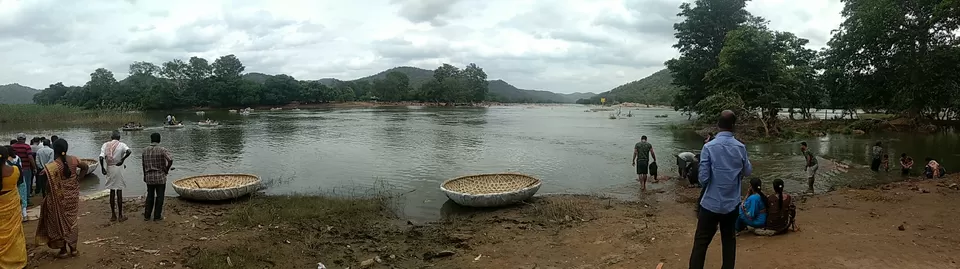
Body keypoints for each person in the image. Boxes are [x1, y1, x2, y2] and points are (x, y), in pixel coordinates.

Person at [689, 110, 752, 269]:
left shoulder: (708, 147)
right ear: (733, 126)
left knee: (701, 242)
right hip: (731, 204)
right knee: (729, 241)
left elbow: (703, 179)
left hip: (710, 203)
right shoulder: (740, 148)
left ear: (718, 125)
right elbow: (747, 172)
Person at [36, 138, 88, 258]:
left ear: (55, 150)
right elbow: (85, 167)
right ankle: (74, 249)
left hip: (59, 199)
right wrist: (78, 180)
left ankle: (63, 250)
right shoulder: (74, 159)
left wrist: (48, 195)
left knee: (58, 222)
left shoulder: (52, 166)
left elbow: (49, 186)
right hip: (73, 197)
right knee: (72, 222)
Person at [0, 146, 27, 268]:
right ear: (7, 157)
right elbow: (20, 183)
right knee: (15, 235)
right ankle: (17, 261)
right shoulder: (15, 170)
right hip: (12, 209)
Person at [99, 131, 131, 222]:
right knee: (119, 190)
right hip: (118, 168)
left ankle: (113, 215)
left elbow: (101, 157)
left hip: (109, 168)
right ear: (119, 137)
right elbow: (129, 151)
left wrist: (102, 168)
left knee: (112, 191)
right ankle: (120, 215)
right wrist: (122, 159)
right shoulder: (122, 145)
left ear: (111, 137)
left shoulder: (105, 145)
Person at [142, 133, 173, 221]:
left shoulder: (145, 150)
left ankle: (147, 216)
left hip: (149, 176)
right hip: (160, 176)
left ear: (151, 140)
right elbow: (170, 159)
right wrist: (166, 169)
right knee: (160, 197)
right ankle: (157, 216)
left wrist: (144, 175)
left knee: (150, 196)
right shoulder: (162, 150)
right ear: (159, 140)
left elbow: (143, 165)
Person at [4, 145, 27, 221]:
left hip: (12, 179)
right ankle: (25, 214)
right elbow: (21, 167)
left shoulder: (5, 161)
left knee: (15, 197)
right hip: (20, 178)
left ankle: (18, 215)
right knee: (23, 196)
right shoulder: (17, 158)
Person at [11, 133, 36, 198]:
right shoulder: (26, 147)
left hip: (14, 168)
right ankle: (27, 199)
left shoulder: (12, 146)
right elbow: (30, 157)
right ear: (24, 139)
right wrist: (34, 167)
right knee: (27, 184)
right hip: (26, 168)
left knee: (17, 184)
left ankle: (18, 198)